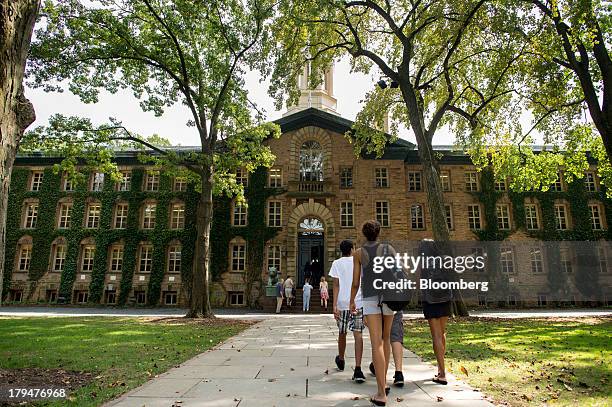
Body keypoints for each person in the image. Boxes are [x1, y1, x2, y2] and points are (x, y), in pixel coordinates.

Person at [350, 220, 395, 406]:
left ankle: (381, 393)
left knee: (376, 343)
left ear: (364, 234)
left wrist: (352, 300)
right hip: (390, 296)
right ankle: (383, 385)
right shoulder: (389, 249)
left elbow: (355, 282)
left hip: (370, 297)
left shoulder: (359, 253)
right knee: (386, 339)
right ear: (379, 233)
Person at [330, 240, 366, 383]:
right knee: (358, 334)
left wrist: (334, 306)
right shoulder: (359, 261)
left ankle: (341, 358)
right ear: (352, 249)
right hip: (357, 302)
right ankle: (357, 368)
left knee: (342, 332)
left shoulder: (336, 263)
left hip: (343, 303)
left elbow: (336, 285)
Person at [419, 239, 452, 385]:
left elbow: (422, 282)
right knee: (442, 333)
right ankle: (440, 368)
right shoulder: (444, 259)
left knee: (436, 336)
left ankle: (443, 373)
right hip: (445, 298)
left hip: (431, 300)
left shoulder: (423, 262)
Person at [369, 311, 405, 387]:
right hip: (395, 304)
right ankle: (399, 372)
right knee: (396, 336)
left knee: (382, 337)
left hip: (377, 305)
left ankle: (382, 377)